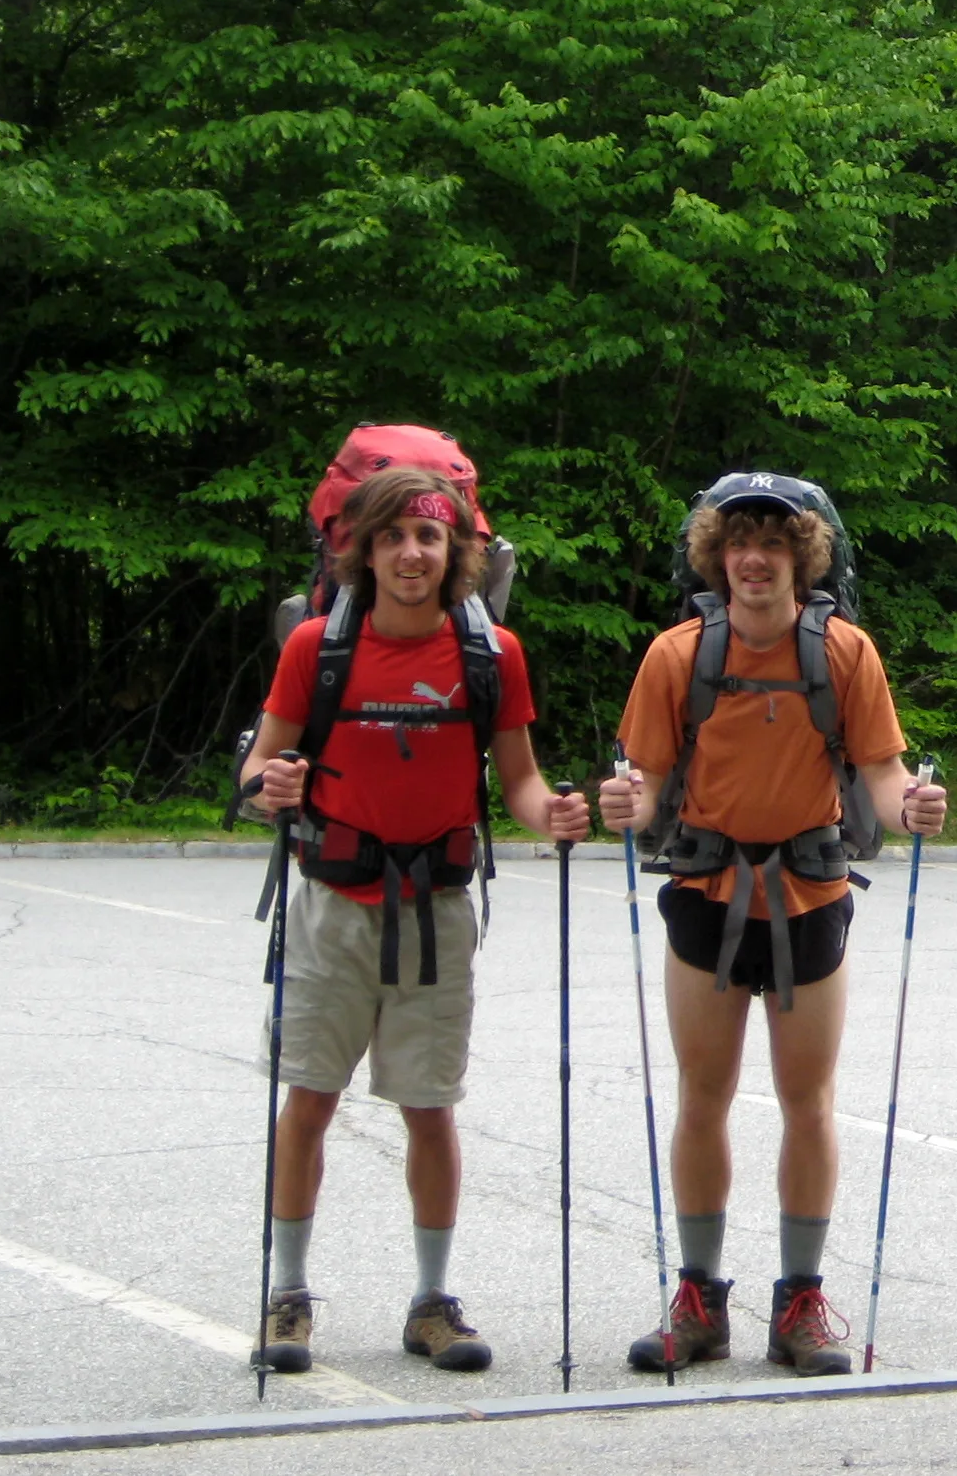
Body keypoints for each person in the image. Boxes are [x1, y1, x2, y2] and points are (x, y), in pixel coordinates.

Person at [237, 464, 589, 1376]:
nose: (410, 552)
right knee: (308, 1102)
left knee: (430, 1110)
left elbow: (515, 777)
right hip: (330, 906)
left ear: (456, 551)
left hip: (437, 909)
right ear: (361, 548)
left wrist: (550, 813)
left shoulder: (489, 655)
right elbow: (257, 769)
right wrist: (268, 786)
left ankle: (432, 1303)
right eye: (393, 536)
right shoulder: (316, 647)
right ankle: (287, 1296)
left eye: (429, 536)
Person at [597, 476, 949, 1377]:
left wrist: (911, 808)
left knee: (809, 1103)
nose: (755, 558)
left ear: (803, 557)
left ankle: (799, 1300)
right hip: (706, 894)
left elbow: (880, 777)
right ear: (717, 556)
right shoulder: (678, 656)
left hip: (811, 892)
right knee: (702, 1100)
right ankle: (699, 1298)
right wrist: (620, 805)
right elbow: (643, 785)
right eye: (739, 542)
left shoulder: (844, 653)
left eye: (776, 543)